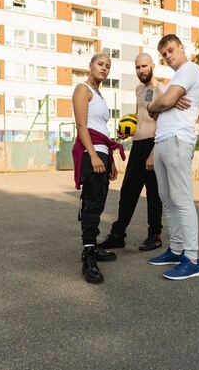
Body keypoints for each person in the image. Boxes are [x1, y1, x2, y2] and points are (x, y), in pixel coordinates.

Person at [145, 34, 199, 280]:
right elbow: (159, 112)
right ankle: (177, 248)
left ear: (182, 48)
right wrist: (162, 104)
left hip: (178, 140)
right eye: (164, 54)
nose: (167, 56)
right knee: (167, 199)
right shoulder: (174, 80)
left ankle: (192, 258)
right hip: (162, 141)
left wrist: (158, 103)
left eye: (170, 50)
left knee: (182, 199)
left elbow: (161, 104)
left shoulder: (190, 69)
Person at [98, 53, 164, 252]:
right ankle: (118, 235)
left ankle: (155, 235)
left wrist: (154, 153)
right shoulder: (138, 89)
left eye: (144, 66)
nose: (140, 71)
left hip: (153, 144)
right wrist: (128, 130)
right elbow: (139, 115)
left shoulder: (162, 89)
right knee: (127, 192)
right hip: (137, 145)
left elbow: (163, 123)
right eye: (137, 67)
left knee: (153, 194)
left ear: (152, 66)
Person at [72, 53, 125, 284]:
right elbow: (82, 126)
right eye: (100, 64)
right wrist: (93, 155)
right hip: (91, 153)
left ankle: (93, 247)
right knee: (92, 204)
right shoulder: (82, 89)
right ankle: (88, 255)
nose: (104, 68)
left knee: (100, 203)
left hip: (103, 153)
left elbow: (101, 129)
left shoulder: (100, 94)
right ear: (90, 65)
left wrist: (110, 160)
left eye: (108, 66)